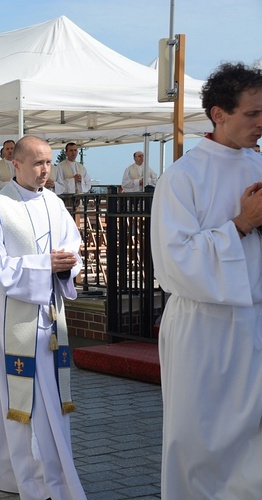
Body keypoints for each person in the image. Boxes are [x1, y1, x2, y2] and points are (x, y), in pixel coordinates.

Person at [151, 62, 262, 498]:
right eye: (252, 113)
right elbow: (173, 260)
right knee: (199, 438)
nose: (261, 123)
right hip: (205, 325)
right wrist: (240, 224)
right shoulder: (184, 176)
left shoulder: (259, 165)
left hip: (254, 320)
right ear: (219, 113)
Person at [0, 136, 86, 499]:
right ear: (15, 164)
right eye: (37, 163)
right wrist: (42, 266)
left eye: (48, 162)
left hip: (51, 313)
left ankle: (48, 472)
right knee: (22, 401)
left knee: (49, 400)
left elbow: (73, 248)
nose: (45, 170)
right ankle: (30, 480)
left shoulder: (54, 202)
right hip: (16, 317)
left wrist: (67, 267)